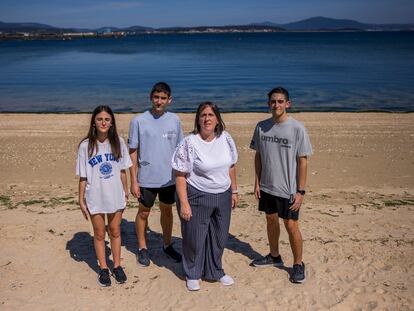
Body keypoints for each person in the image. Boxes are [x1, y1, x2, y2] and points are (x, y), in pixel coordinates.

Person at [172, 102, 239, 291]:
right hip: (197, 195)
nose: (207, 119)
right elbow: (179, 174)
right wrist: (184, 203)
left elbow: (231, 166)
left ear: (217, 119)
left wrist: (234, 191)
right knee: (195, 237)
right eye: (203, 115)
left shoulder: (226, 138)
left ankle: (215, 271)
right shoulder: (189, 143)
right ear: (198, 119)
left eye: (210, 115)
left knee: (219, 237)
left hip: (223, 195)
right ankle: (192, 273)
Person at [250, 87, 312, 283]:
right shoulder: (261, 127)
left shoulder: (297, 128)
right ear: (269, 104)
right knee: (270, 220)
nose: (276, 105)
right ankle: (274, 256)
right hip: (267, 187)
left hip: (289, 189)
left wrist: (300, 191)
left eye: (280, 101)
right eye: (273, 102)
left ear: (288, 104)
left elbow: (303, 161)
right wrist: (257, 182)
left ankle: (298, 264)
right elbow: (258, 155)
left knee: (291, 225)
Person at [128, 82, 184, 266]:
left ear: (169, 100)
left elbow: (180, 150)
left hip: (169, 178)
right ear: (151, 97)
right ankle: (142, 248)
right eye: (156, 97)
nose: (159, 101)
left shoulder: (175, 120)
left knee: (167, 211)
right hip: (146, 178)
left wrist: (183, 176)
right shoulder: (138, 121)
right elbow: (133, 152)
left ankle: (167, 245)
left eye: (163, 98)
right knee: (143, 212)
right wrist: (134, 181)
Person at [76, 105, 132, 287]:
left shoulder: (119, 142)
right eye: (100, 119)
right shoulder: (86, 146)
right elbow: (83, 176)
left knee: (115, 231)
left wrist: (126, 190)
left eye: (107, 119)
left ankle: (117, 266)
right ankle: (103, 268)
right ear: (94, 121)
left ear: (112, 123)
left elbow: (123, 171)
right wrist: (81, 199)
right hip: (96, 196)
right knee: (100, 233)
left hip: (115, 194)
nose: (103, 122)